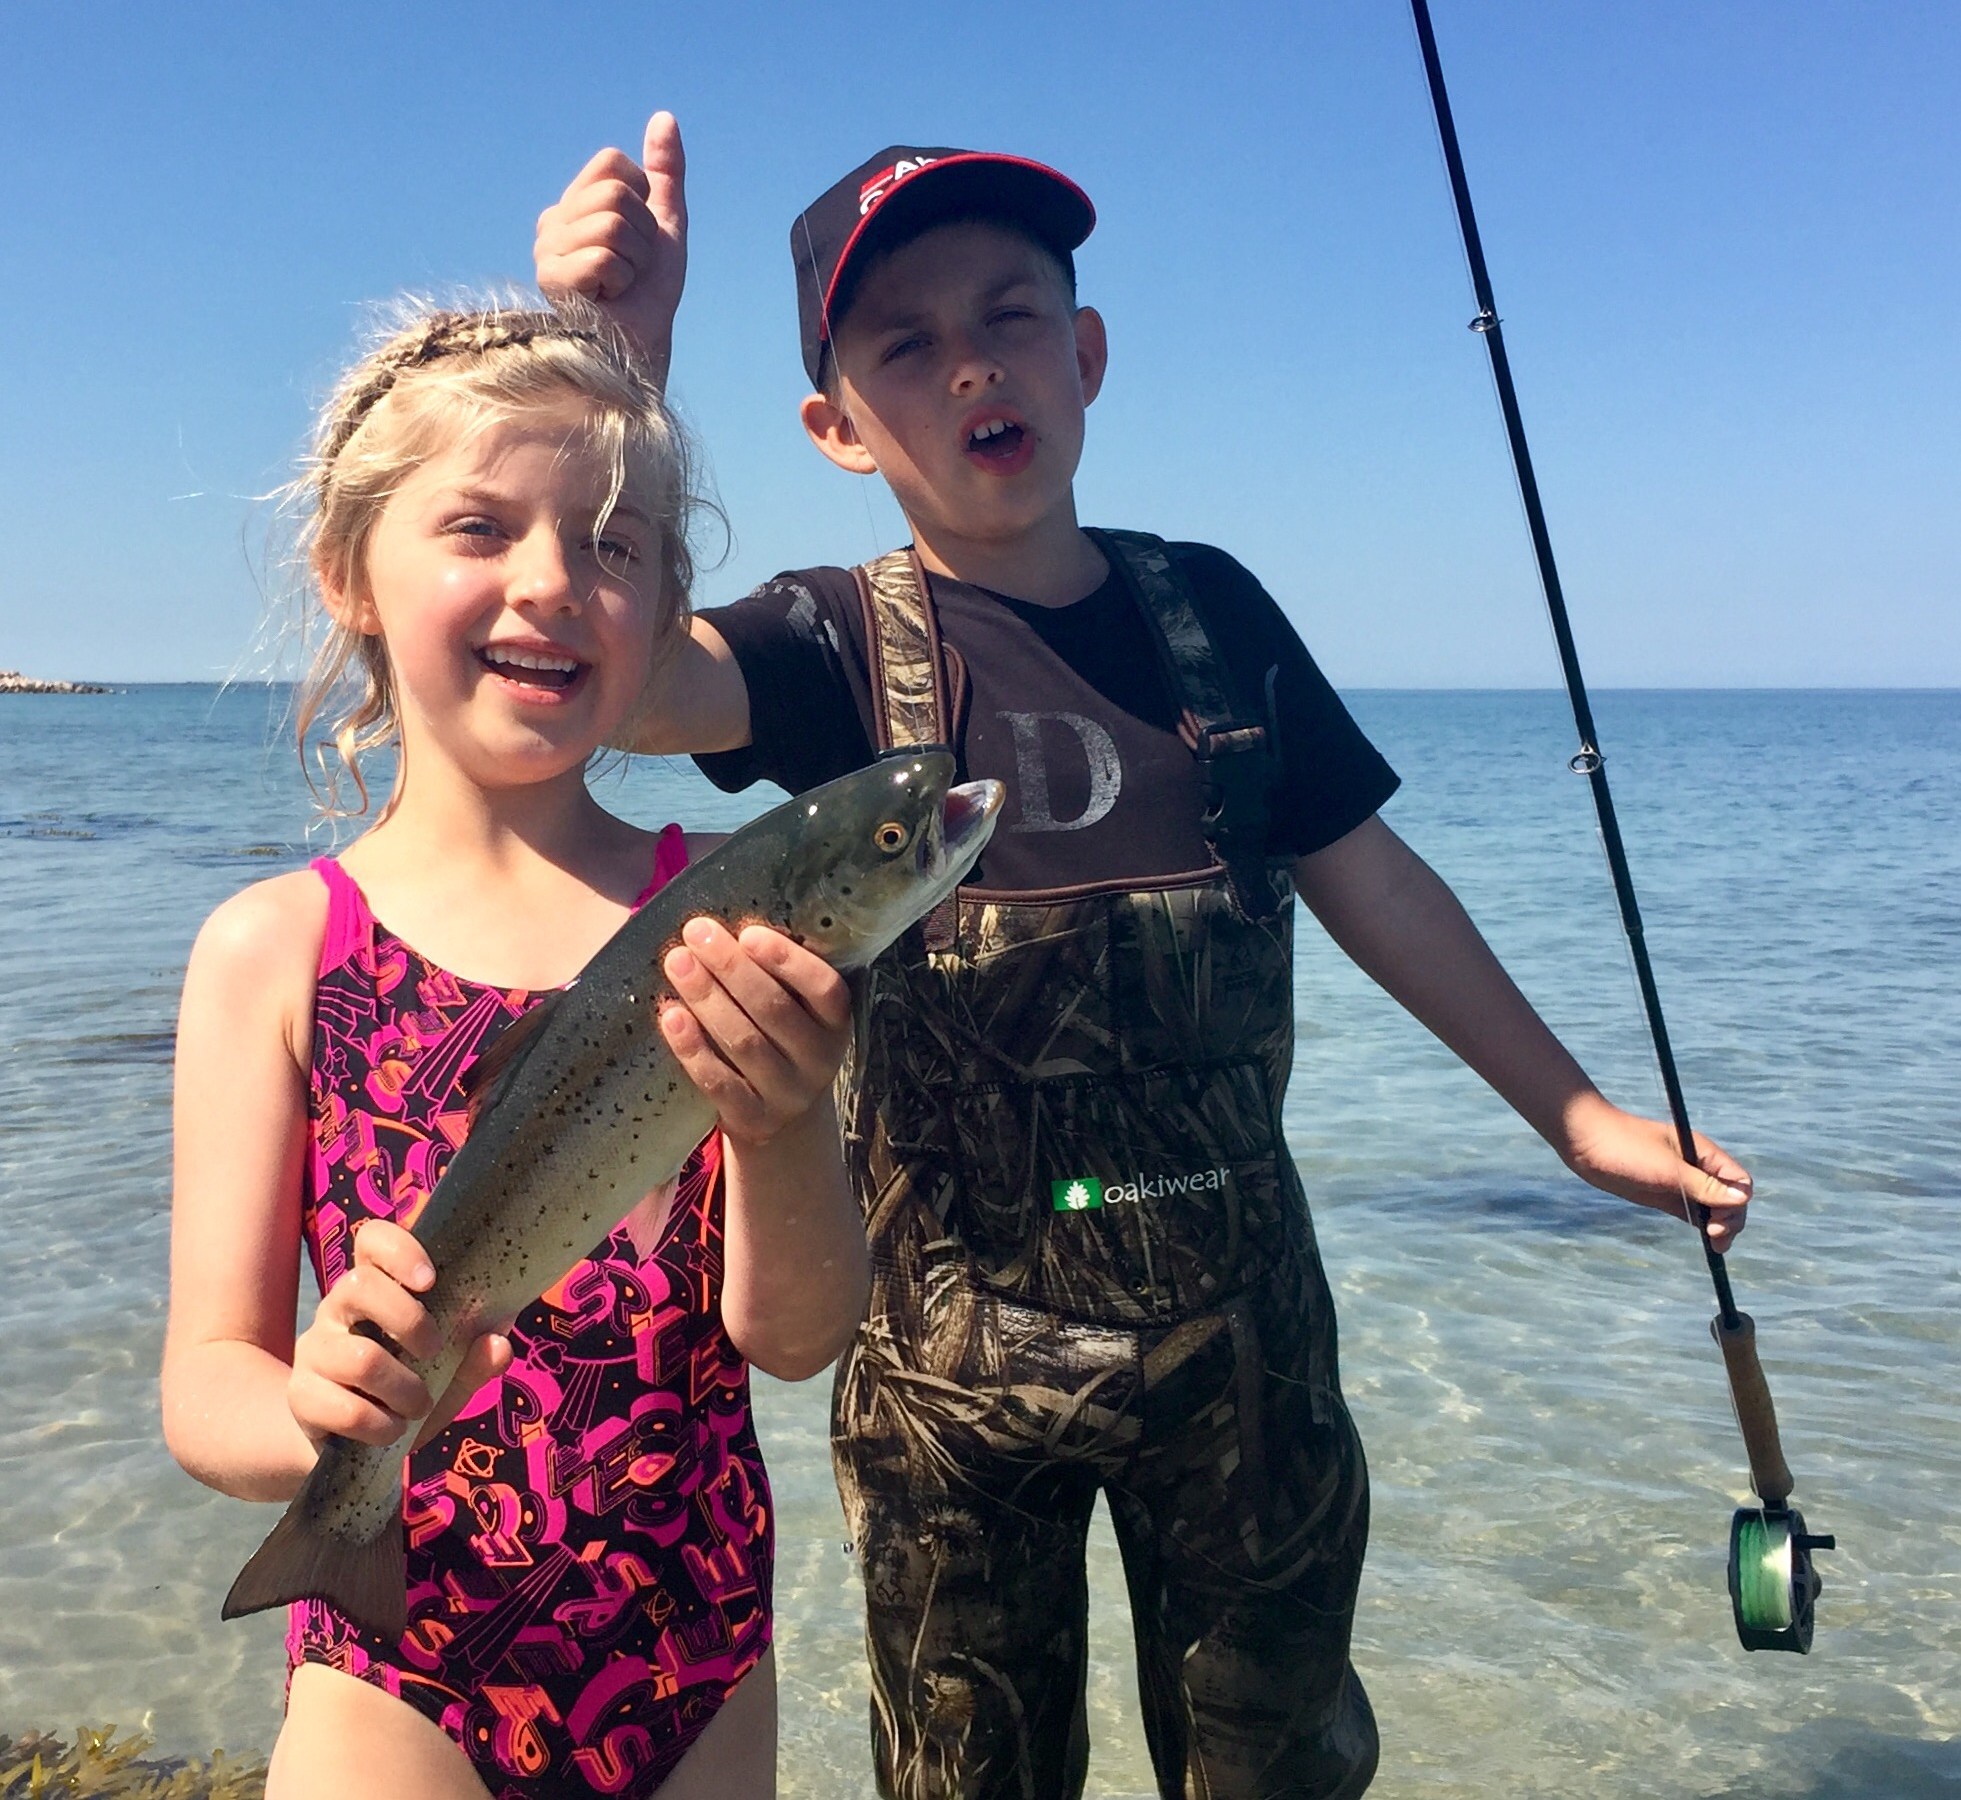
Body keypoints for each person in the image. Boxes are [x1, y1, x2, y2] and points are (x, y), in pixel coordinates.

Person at [533, 121, 1753, 1800]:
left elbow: (1371, 879)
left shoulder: (1213, 616)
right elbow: (628, 685)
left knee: (1277, 1770)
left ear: (1086, 353)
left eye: (1010, 315)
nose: (972, 364)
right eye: (906, 345)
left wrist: (1577, 1118)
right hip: (948, 1385)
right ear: (836, 429)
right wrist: (615, 372)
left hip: (1247, 1359)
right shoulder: (828, 645)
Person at [161, 301, 872, 1800]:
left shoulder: (729, 920)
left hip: (697, 1655)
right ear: (348, 567)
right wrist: (311, 1408)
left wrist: (786, 1117)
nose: (551, 580)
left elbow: (796, 1339)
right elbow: (205, 1388)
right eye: (480, 527)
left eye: (614, 545)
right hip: (396, 1673)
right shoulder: (273, 950)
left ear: (665, 608)